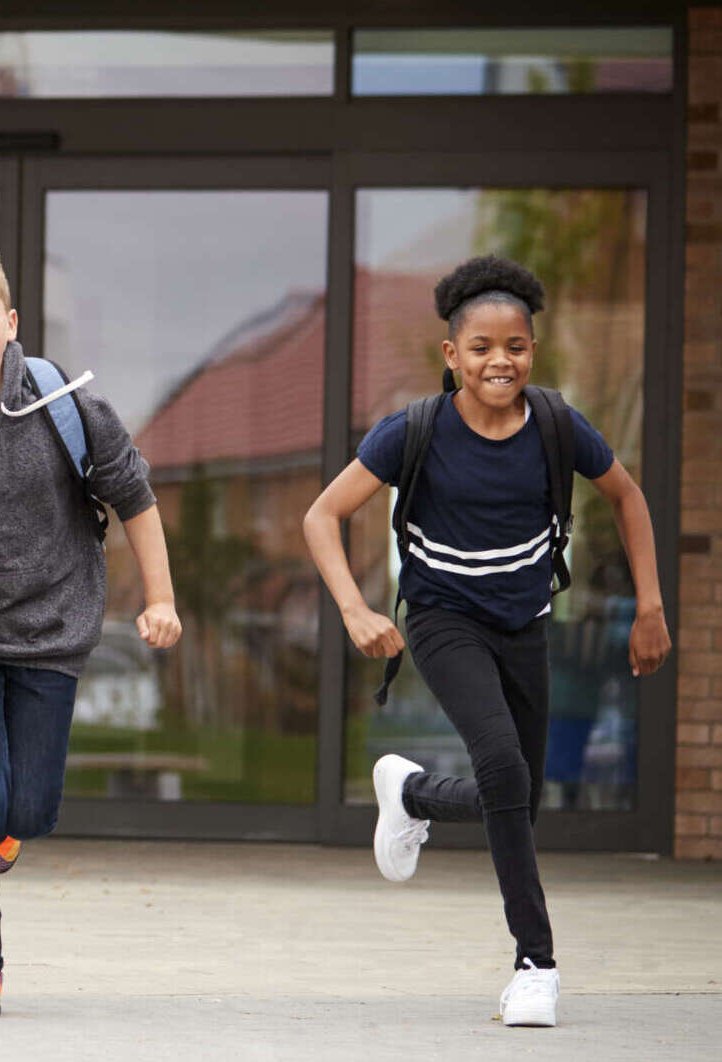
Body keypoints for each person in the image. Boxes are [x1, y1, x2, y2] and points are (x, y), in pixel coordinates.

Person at [300, 255, 668, 1029]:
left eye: (516, 346)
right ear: (451, 356)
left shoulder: (560, 428)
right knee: (503, 767)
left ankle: (411, 794)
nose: (499, 360)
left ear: (533, 351)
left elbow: (628, 499)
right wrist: (355, 609)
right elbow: (321, 515)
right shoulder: (415, 431)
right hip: (443, 620)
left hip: (527, 622)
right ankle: (535, 964)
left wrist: (651, 607)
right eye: (481, 348)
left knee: (519, 799)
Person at [0, 243, 179, 1017]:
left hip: (52, 628)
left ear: (10, 321)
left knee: (31, 808)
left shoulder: (67, 405)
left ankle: (3, 839)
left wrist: (162, 598)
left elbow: (134, 498)